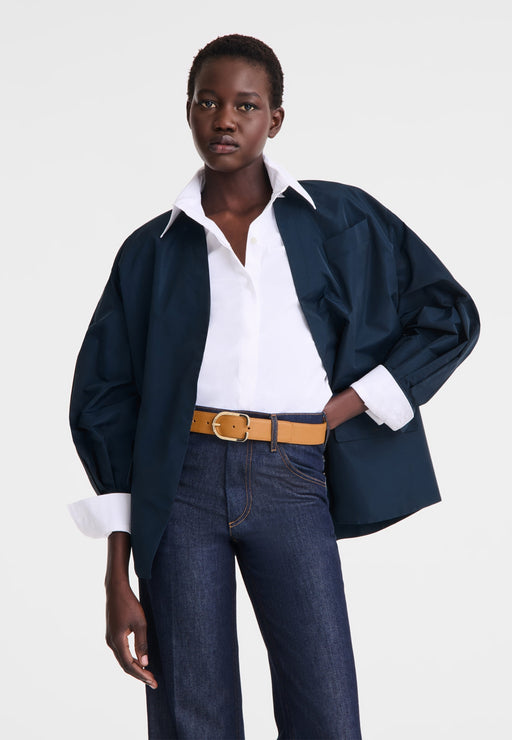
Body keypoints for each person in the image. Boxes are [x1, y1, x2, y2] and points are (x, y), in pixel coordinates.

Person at [68, 34, 480, 739]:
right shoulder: (150, 251)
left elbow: (449, 316)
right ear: (188, 111)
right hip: (181, 485)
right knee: (191, 715)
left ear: (275, 119)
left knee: (326, 708)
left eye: (246, 105)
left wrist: (346, 408)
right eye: (208, 102)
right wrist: (117, 577)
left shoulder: (340, 220)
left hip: (294, 475)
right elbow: (106, 405)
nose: (224, 119)